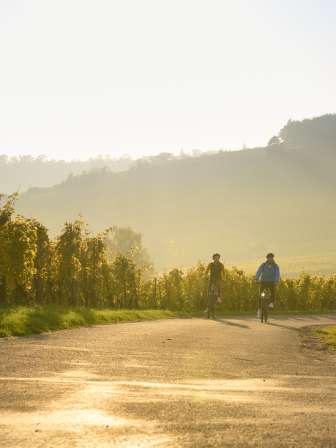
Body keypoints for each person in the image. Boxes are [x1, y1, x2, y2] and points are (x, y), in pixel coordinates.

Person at [205, 253, 225, 319]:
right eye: (215, 257)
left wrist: (223, 279)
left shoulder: (221, 265)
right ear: (213, 258)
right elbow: (206, 271)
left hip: (218, 281)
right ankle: (209, 312)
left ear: (219, 258)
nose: (217, 259)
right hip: (211, 282)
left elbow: (223, 273)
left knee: (215, 298)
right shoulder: (210, 264)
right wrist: (206, 276)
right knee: (210, 297)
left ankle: (219, 297)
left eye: (218, 257)